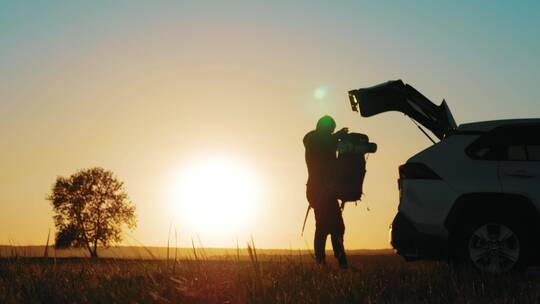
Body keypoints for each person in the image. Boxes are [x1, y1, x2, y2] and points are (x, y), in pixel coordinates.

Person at [303, 115, 349, 268]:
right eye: (330, 130)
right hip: (318, 190)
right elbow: (321, 143)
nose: (331, 133)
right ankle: (326, 261)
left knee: (335, 226)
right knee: (325, 226)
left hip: (327, 191)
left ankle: (336, 260)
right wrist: (337, 137)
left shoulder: (326, 141)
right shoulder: (312, 139)